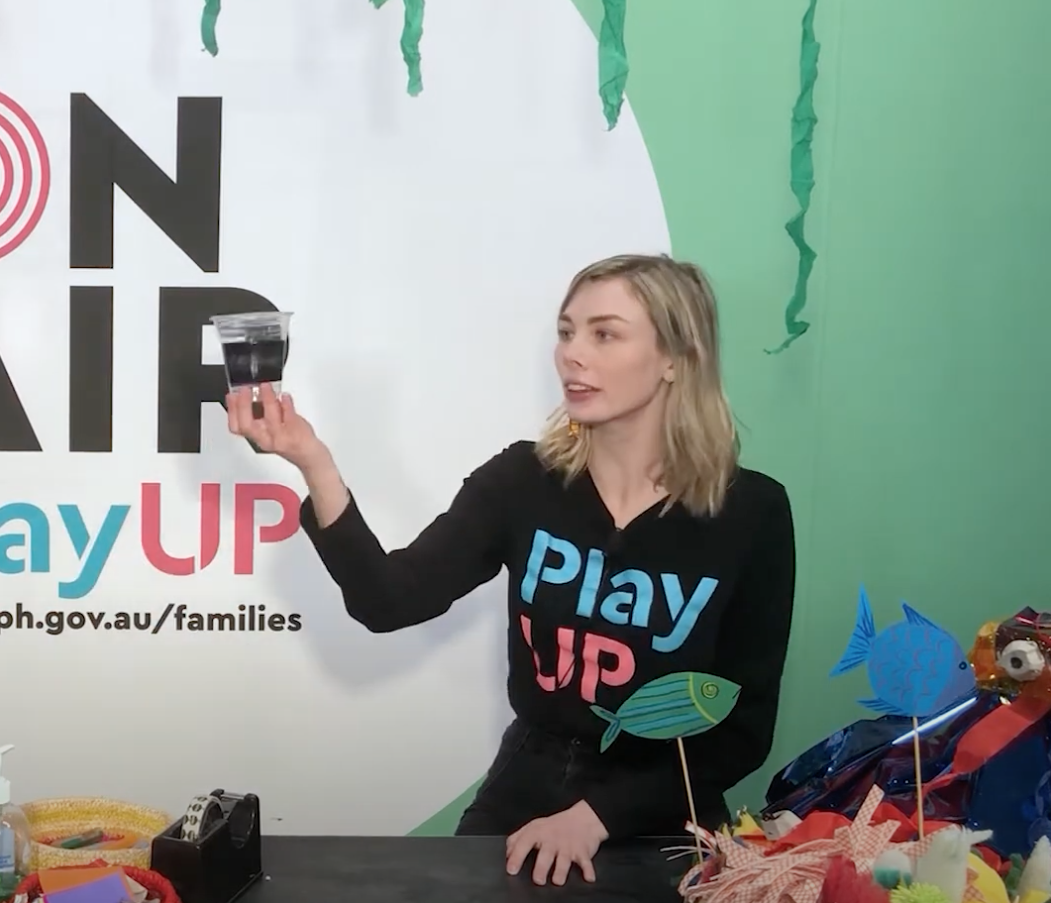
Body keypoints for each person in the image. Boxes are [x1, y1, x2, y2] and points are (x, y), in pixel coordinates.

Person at [227, 254, 795, 886]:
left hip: (664, 812)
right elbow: (387, 600)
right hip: (524, 791)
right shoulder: (523, 480)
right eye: (566, 331)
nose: (572, 354)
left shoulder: (754, 513)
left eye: (604, 334)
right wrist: (314, 463)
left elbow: (743, 731)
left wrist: (598, 815)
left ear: (675, 358)